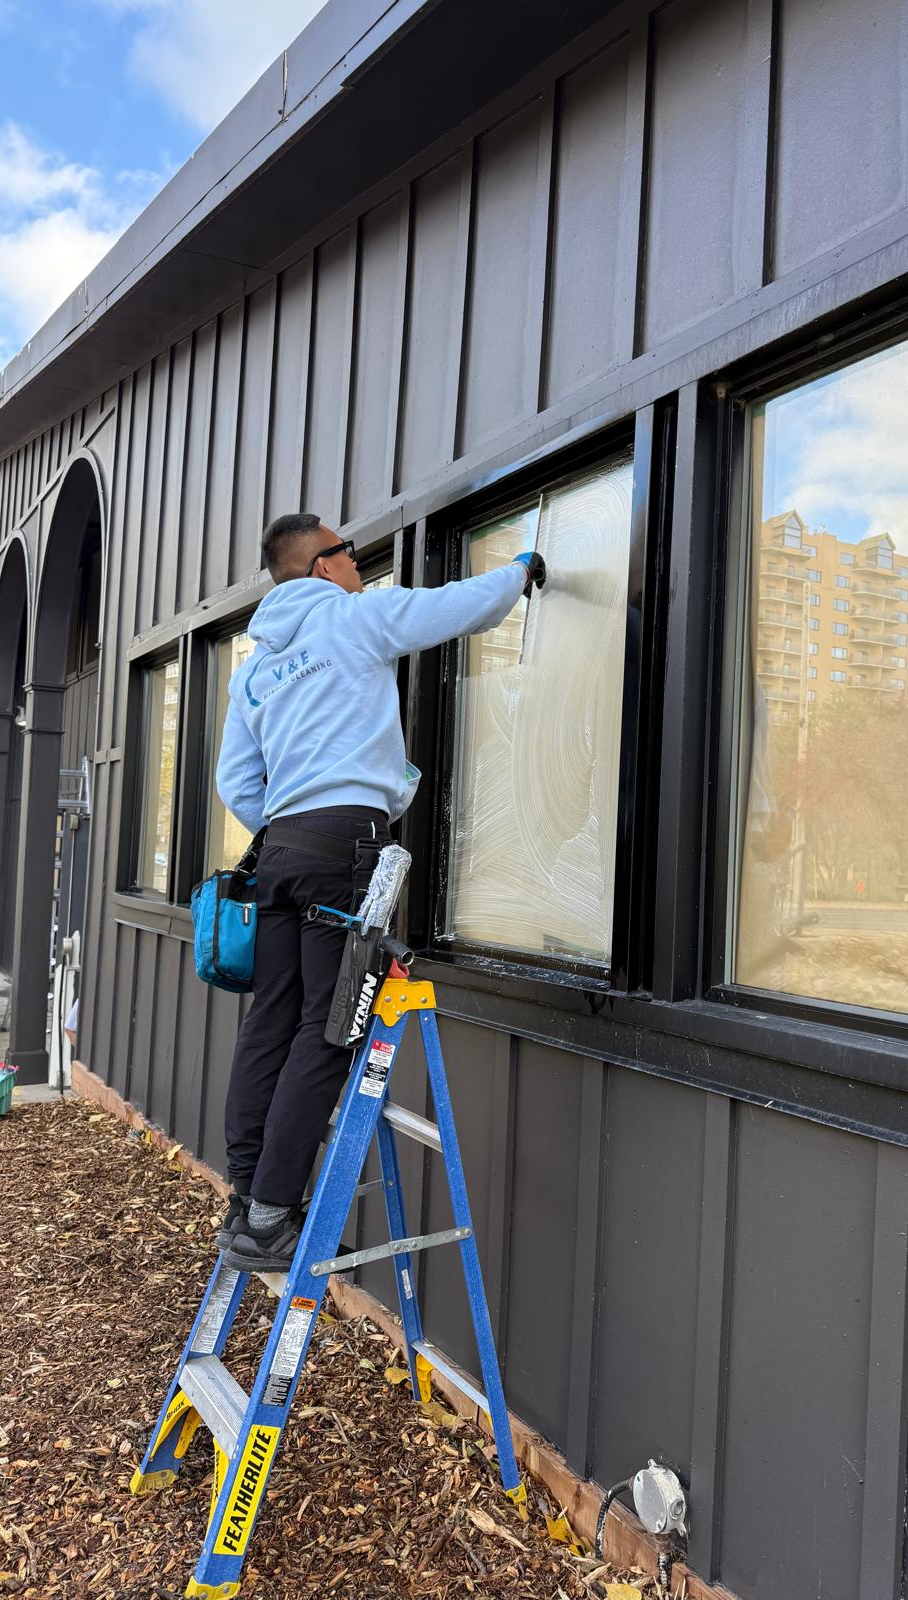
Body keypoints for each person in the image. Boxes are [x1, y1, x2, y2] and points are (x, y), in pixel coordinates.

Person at [213, 512, 544, 1272]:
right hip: (345, 849)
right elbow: (457, 606)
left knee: (271, 1020)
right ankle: (269, 1220)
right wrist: (520, 571)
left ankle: (245, 1196)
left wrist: (295, 823)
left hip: (282, 852)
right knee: (329, 1031)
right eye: (350, 552)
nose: (359, 563)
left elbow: (237, 781)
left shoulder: (257, 670)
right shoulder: (354, 619)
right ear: (323, 566)